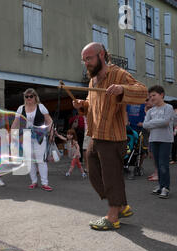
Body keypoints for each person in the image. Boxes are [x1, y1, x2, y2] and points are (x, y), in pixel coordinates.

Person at [73, 42, 148, 231]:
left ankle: (113, 216)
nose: (86, 63)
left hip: (113, 137)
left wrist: (123, 89)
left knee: (111, 177)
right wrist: (82, 104)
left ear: (102, 55)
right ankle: (121, 205)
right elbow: (92, 104)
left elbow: (142, 91)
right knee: (93, 172)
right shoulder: (92, 81)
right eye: (84, 60)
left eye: (89, 58)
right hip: (96, 134)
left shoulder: (118, 74)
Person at [11, 88, 53, 191]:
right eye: (27, 96)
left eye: (31, 96)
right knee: (30, 160)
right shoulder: (21, 108)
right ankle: (34, 181)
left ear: (35, 97)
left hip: (39, 136)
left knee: (41, 160)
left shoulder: (41, 107)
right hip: (26, 136)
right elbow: (16, 123)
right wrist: (12, 135)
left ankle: (45, 183)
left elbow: (49, 121)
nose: (29, 98)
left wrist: (51, 133)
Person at [143, 85, 175, 199]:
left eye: (154, 95)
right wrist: (156, 122)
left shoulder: (169, 107)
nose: (151, 98)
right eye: (150, 96)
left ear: (162, 95)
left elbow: (166, 122)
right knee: (157, 164)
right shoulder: (150, 111)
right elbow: (145, 125)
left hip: (165, 140)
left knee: (163, 164)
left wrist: (152, 123)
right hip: (153, 139)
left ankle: (165, 187)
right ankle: (161, 186)